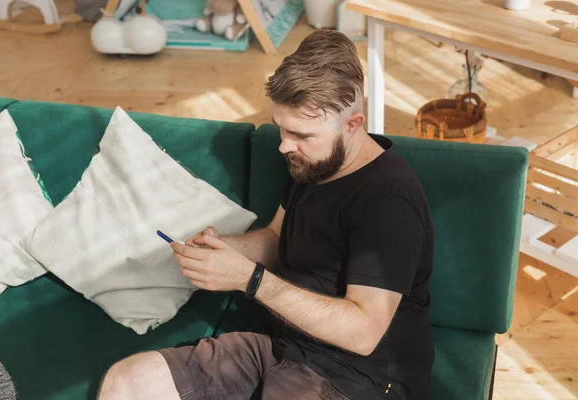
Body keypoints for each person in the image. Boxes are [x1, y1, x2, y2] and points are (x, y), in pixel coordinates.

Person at [97, 28, 435, 400]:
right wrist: (221, 250)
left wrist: (250, 279)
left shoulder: (389, 202)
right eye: (281, 128)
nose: (284, 145)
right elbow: (277, 238)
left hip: (354, 380)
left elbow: (364, 333)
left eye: (300, 134)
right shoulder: (314, 162)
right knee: (125, 383)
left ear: (352, 125)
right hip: (280, 348)